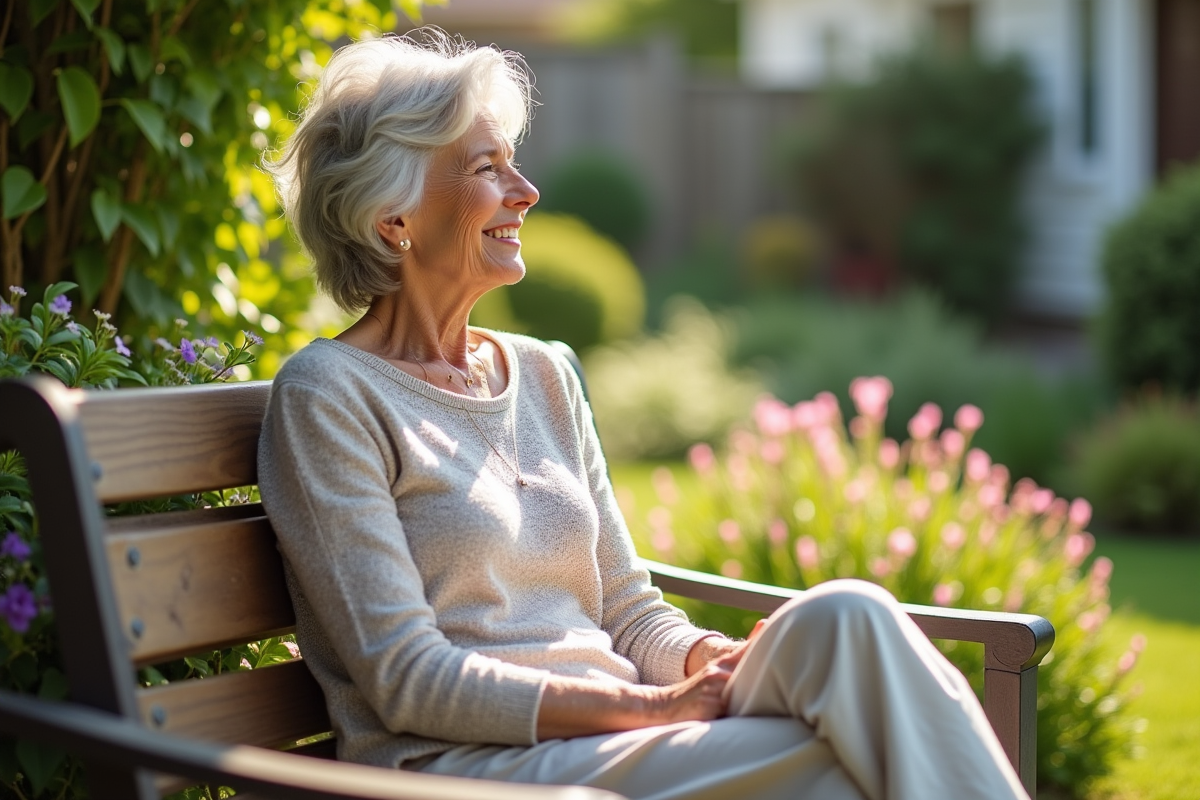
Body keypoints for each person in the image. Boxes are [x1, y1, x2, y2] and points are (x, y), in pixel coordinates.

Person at [258, 31, 1030, 800]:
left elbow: (626, 609)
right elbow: (406, 680)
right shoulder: (330, 397)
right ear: (394, 219)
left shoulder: (543, 372)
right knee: (840, 762)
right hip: (463, 768)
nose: (526, 191)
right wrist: (647, 707)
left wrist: (704, 661)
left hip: (621, 738)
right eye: (489, 169)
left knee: (847, 617)